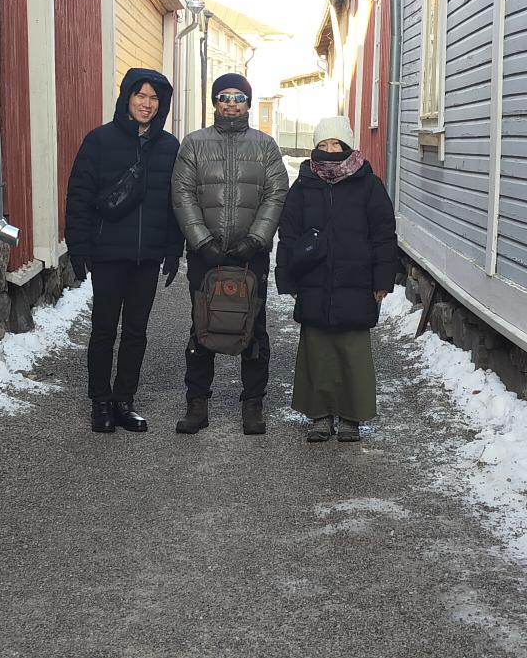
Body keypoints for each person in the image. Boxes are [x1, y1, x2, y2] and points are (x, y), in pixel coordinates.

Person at [170, 72, 289, 435]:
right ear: (215, 102)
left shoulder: (265, 146)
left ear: (249, 104)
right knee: (203, 323)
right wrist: (201, 241)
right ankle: (197, 403)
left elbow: (276, 193)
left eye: (239, 97)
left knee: (253, 327)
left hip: (249, 254)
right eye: (225, 96)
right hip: (206, 254)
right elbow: (182, 193)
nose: (232, 103)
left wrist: (256, 239)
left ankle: (253, 403)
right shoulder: (193, 144)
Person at [66, 69, 183, 434]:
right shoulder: (100, 140)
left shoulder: (168, 147)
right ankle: (100, 400)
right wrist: (78, 246)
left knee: (136, 331)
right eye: (140, 95)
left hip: (146, 256)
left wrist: (172, 249)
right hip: (107, 253)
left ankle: (124, 400)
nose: (146, 104)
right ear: (127, 98)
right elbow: (79, 195)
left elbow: (174, 202)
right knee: (104, 329)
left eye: (153, 98)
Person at [275, 116, 397, 443]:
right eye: (324, 145)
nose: (330, 150)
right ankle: (320, 414)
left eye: (336, 145)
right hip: (313, 280)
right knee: (317, 349)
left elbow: (384, 234)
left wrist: (382, 278)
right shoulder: (304, 185)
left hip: (356, 281)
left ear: (347, 147)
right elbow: (288, 232)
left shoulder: (368, 184)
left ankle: (351, 417)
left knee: (352, 350)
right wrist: (288, 278)